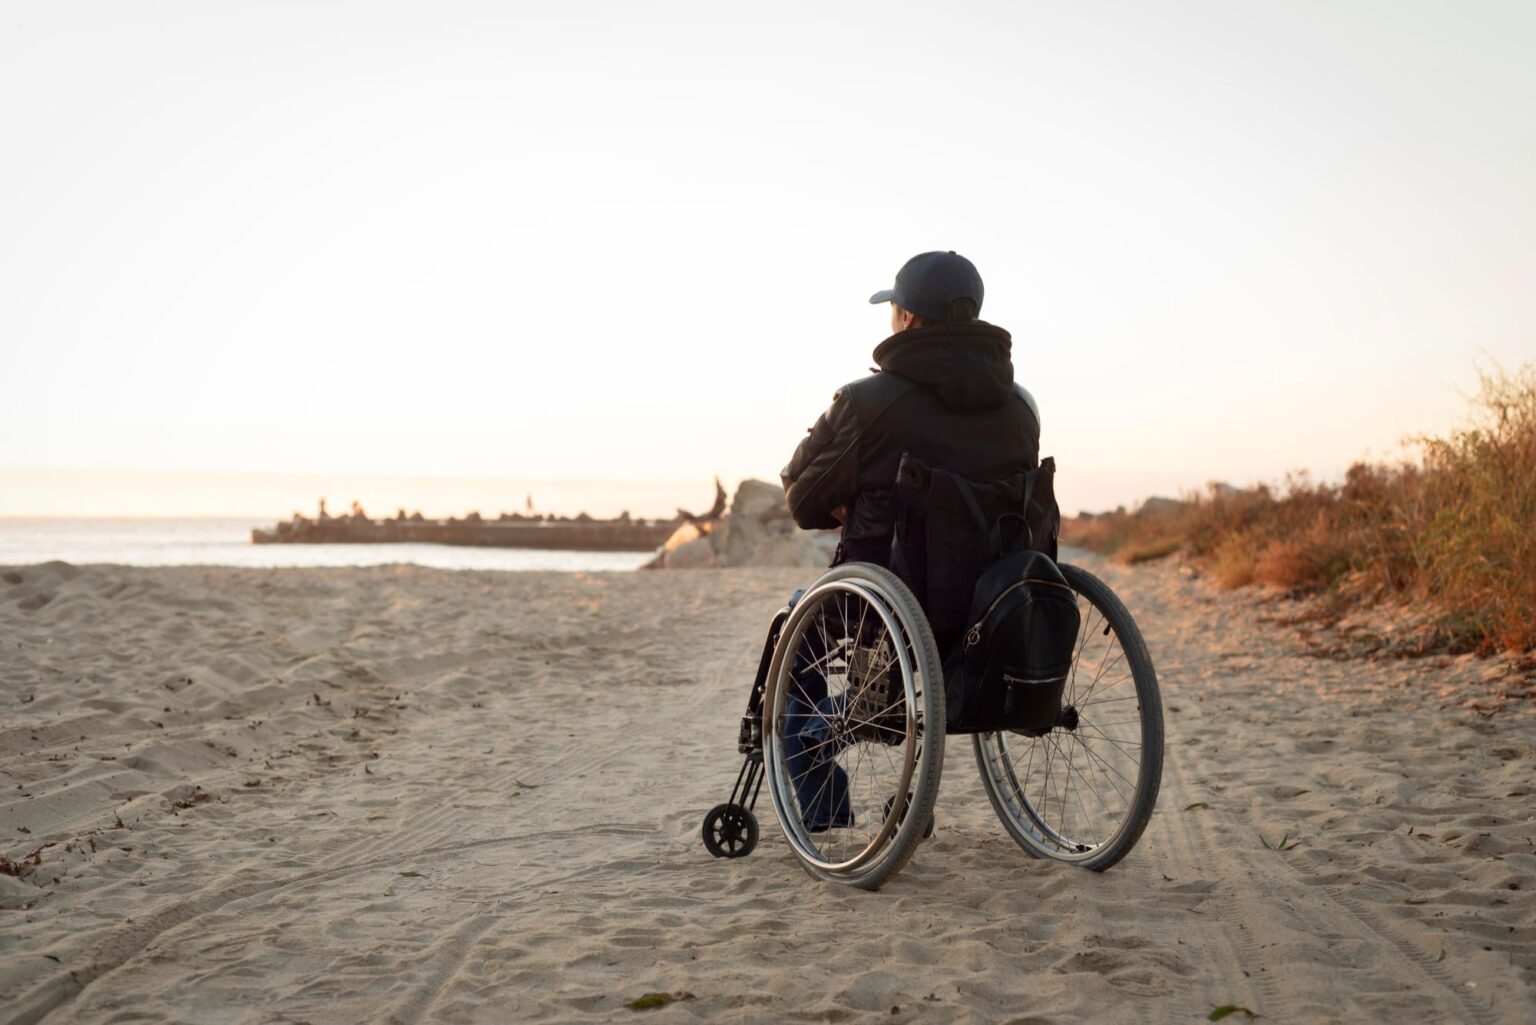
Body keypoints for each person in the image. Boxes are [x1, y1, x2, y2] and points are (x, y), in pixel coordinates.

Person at [777, 250, 1044, 829]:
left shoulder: (869, 403)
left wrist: (846, 501)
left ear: (906, 318)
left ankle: (819, 788)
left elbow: (801, 500)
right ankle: (888, 768)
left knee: (795, 623)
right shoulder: (1022, 408)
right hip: (996, 603)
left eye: (893, 308)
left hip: (888, 604)